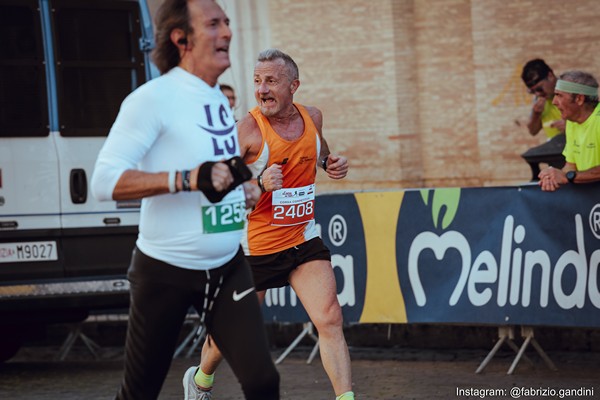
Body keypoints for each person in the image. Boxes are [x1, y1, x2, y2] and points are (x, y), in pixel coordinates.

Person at [90, 1, 279, 399]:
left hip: (228, 266)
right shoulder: (152, 99)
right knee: (139, 392)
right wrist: (185, 179)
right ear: (181, 39)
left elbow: (214, 176)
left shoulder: (215, 100)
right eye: (213, 24)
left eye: (227, 22)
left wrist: (243, 187)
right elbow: (104, 181)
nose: (227, 31)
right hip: (165, 271)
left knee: (263, 381)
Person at [183, 48, 355, 400]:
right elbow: (215, 189)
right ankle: (200, 380)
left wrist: (331, 164)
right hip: (255, 247)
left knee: (330, 317)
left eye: (271, 81)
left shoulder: (313, 117)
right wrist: (259, 183)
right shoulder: (245, 131)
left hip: (302, 238)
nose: (262, 89)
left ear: (293, 86)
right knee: (232, 330)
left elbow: (319, 153)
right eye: (257, 81)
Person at [538, 70, 600, 191]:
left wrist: (569, 177)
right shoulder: (572, 122)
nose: (554, 102)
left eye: (559, 95)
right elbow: (571, 166)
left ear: (579, 99)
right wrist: (552, 175)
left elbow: (570, 175)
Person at [521, 59, 565, 138]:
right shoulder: (539, 99)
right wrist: (536, 114)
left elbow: (591, 121)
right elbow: (533, 131)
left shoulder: (570, 91)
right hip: (555, 145)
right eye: (533, 91)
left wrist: (572, 127)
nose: (537, 94)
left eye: (539, 89)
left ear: (550, 76)